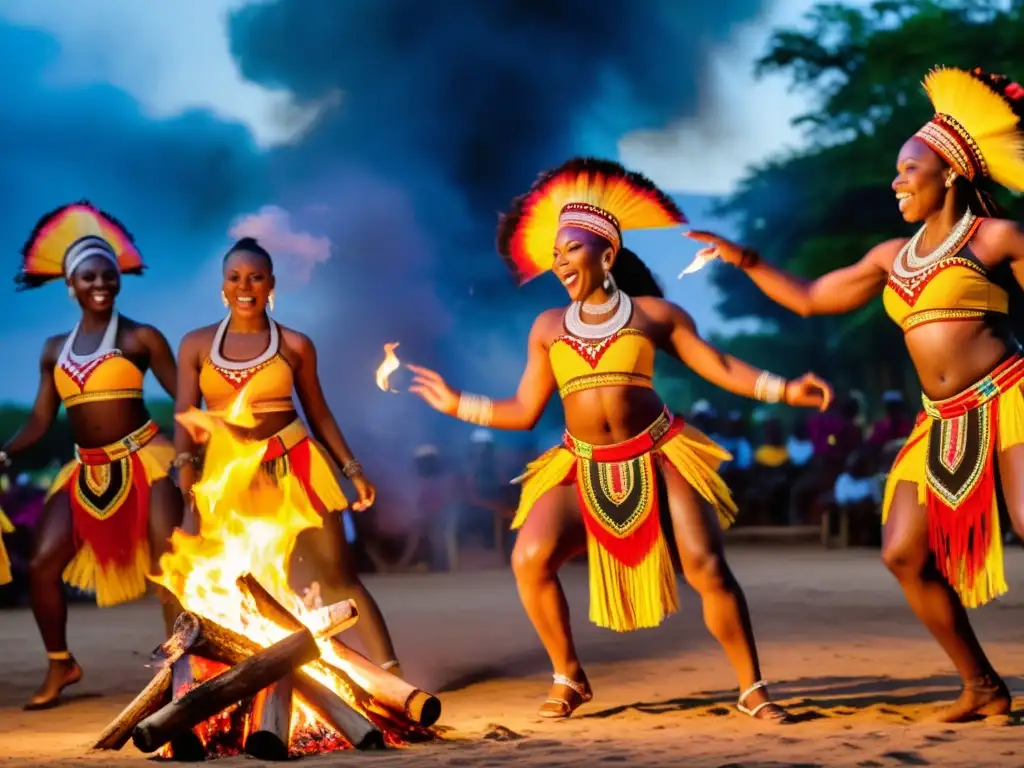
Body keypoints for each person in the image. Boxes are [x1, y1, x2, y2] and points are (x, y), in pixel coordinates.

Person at [407, 158, 832, 721]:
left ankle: (752, 687)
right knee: (529, 557)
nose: (559, 261)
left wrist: (784, 389)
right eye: (554, 253)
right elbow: (523, 410)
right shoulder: (548, 327)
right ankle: (569, 676)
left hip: (660, 452)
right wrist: (456, 402)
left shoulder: (657, 315)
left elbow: (721, 365)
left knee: (704, 565)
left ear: (606, 254)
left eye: (571, 249)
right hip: (579, 463)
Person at [685, 66, 1024, 721]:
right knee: (902, 552)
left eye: (908, 169)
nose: (896, 181)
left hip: (1008, 396)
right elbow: (812, 299)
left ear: (950, 173)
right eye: (896, 170)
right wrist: (747, 260)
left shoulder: (998, 239)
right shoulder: (889, 257)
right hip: (939, 422)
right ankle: (981, 685)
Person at [173, 237, 402, 675]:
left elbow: (318, 411)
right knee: (210, 576)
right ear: (223, 285)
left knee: (337, 574)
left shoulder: (295, 344)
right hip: (229, 477)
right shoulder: (196, 345)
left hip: (297, 465)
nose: (245, 286)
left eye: (255, 277)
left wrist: (352, 470)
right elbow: (186, 416)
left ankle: (391, 672)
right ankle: (206, 675)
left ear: (271, 284)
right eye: (235, 277)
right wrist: (186, 470)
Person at [1, 202, 181, 709]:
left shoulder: (140, 337)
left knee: (170, 566)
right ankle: (61, 663)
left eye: (107, 274)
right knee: (41, 565)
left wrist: (196, 443)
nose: (100, 283)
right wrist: (4, 450)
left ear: (117, 279)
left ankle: (183, 670)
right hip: (84, 471)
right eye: (88, 276)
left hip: (147, 459)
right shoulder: (52, 348)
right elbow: (40, 420)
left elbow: (187, 396)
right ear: (70, 286)